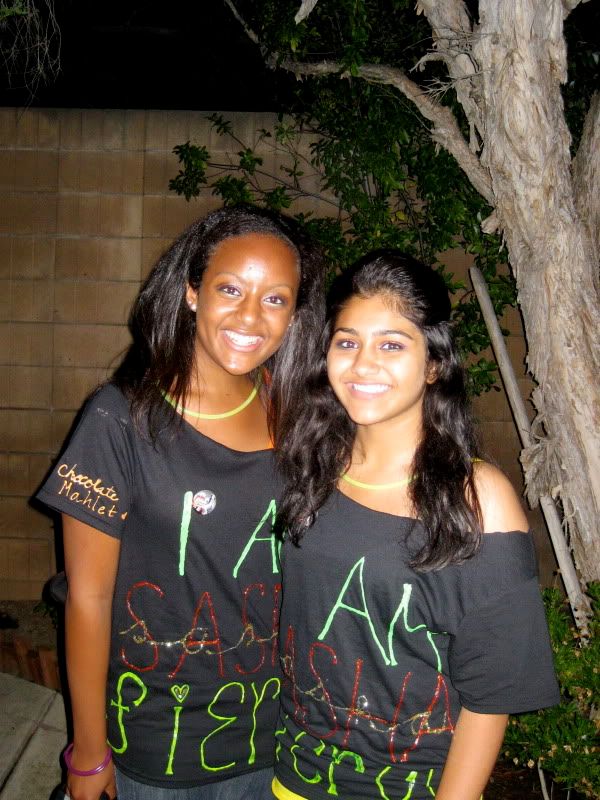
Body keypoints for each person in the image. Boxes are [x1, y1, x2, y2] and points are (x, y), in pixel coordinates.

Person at [36, 204, 325, 800]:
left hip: (274, 741)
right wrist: (88, 754)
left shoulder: (299, 416)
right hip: (155, 744)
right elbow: (87, 598)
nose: (251, 316)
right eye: (230, 289)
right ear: (192, 292)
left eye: (276, 299)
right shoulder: (120, 421)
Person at [272, 250, 559, 800]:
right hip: (293, 776)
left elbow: (489, 695)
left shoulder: (475, 500)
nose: (362, 364)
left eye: (392, 344)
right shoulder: (311, 467)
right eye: (347, 341)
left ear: (433, 364)